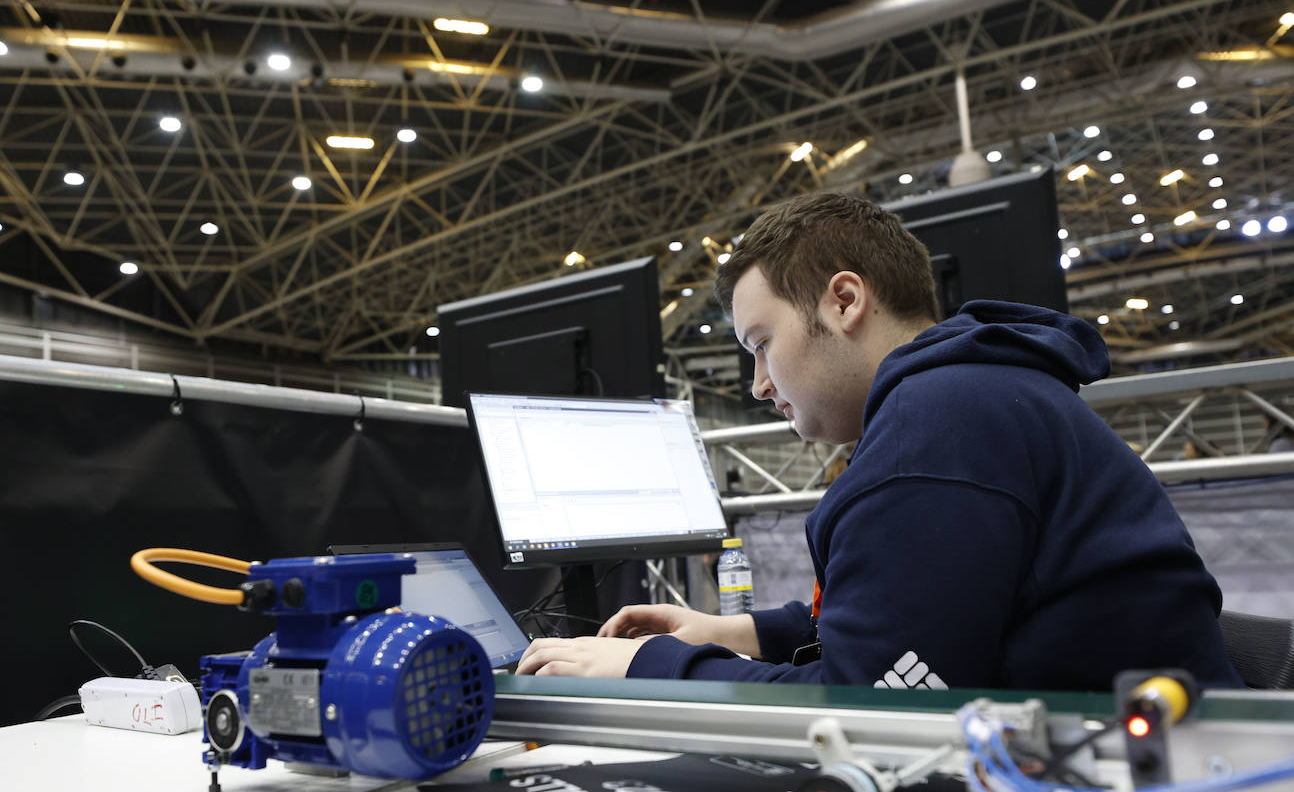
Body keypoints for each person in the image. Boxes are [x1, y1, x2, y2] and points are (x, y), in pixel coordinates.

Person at [516, 190, 1241, 691]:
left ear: (844, 300)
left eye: (763, 344)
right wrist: (734, 634)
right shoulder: (964, 395)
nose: (760, 384)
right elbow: (904, 612)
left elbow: (868, 701)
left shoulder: (939, 428)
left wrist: (650, 668)